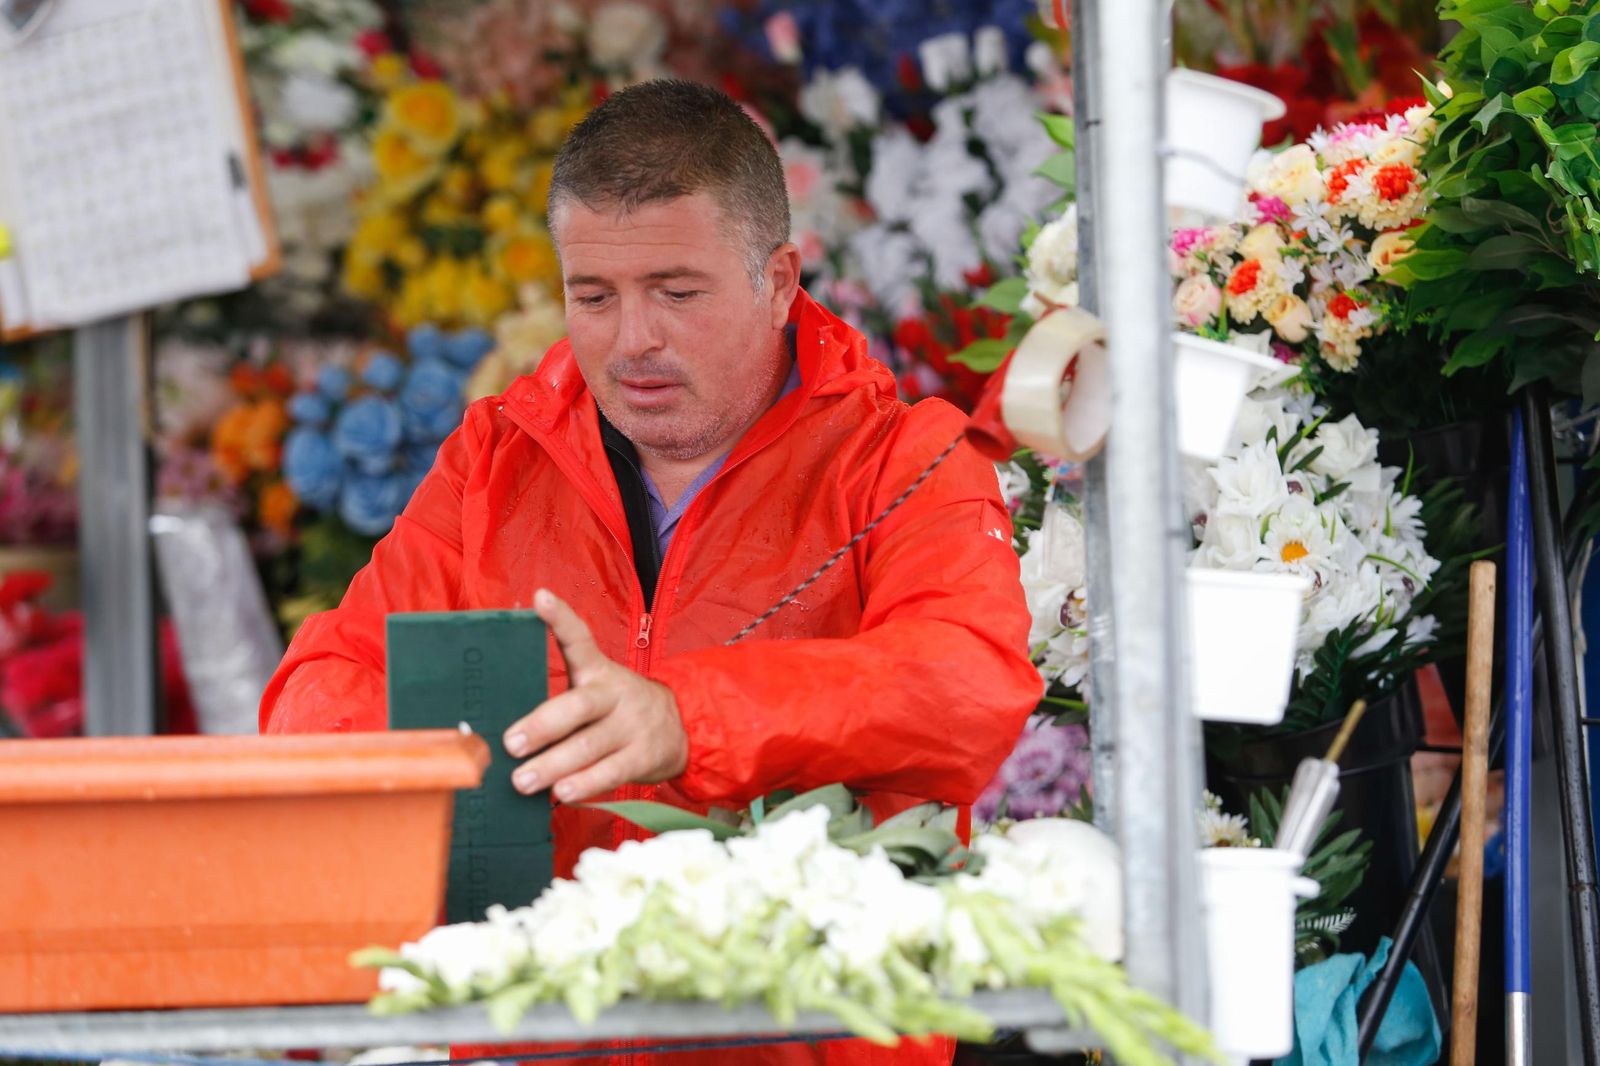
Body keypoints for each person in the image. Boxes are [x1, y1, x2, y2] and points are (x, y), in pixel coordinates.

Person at [261, 79, 1040, 1065]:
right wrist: (460, 739)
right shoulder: (494, 457)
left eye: (677, 293)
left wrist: (688, 719)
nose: (633, 340)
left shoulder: (906, 458)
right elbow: (318, 684)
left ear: (779, 281)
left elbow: (966, 681)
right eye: (593, 296)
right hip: (533, 1040)